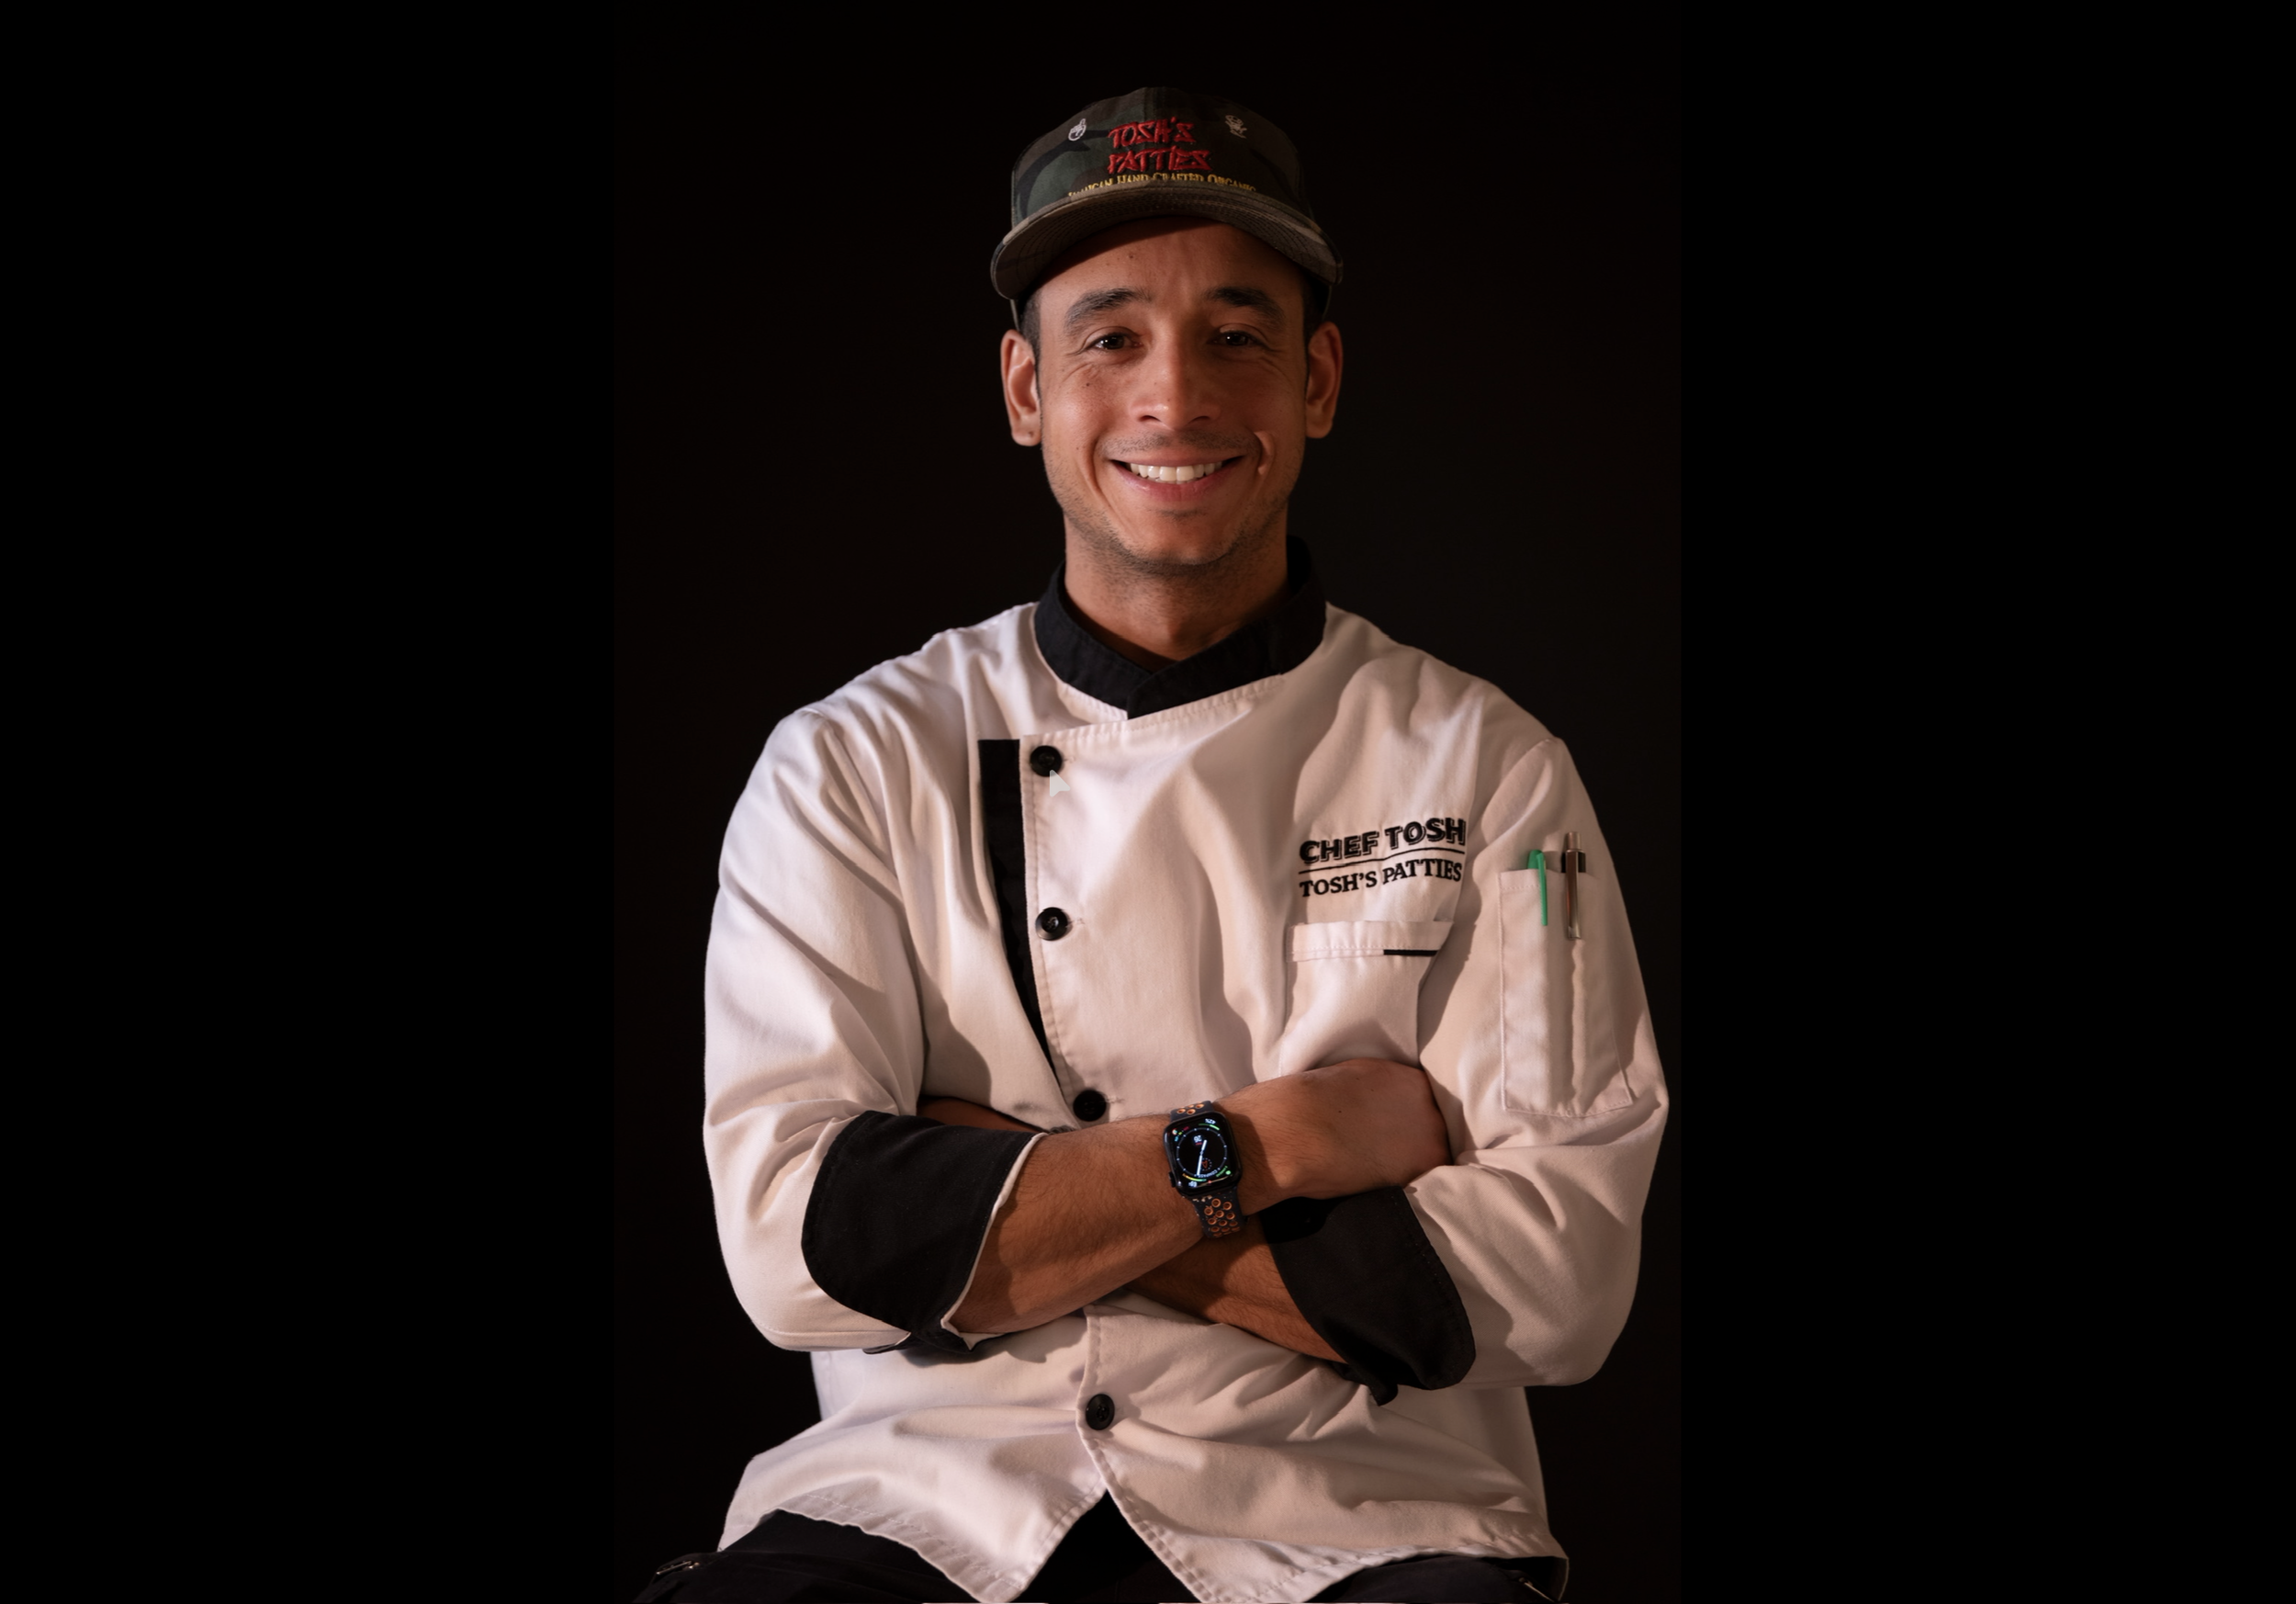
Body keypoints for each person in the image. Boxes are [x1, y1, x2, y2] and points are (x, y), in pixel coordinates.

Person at [645, 87, 1668, 1604]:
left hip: (1365, 1511)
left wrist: (1007, 1187)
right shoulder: (848, 765)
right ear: (1025, 390)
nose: (1174, 397)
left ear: (1317, 380)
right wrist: (1279, 1142)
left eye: (1237, 335)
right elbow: (798, 1243)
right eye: (1110, 337)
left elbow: (1557, 1278)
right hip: (926, 1494)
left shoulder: (1490, 770)